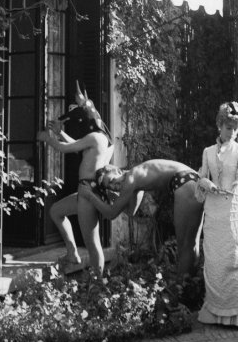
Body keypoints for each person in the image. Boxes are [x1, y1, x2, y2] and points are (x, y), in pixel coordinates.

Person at [194, 102, 238, 328]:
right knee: (215, 262)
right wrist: (204, 182)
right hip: (213, 215)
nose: (232, 132)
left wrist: (234, 186)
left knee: (235, 262)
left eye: (235, 128)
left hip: (233, 212)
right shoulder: (207, 152)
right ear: (219, 125)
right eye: (228, 127)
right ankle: (214, 312)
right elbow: (201, 181)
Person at [79, 159, 204, 279]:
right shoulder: (136, 179)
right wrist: (113, 198)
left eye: (111, 180)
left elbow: (111, 214)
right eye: (110, 187)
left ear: (116, 170)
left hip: (185, 181)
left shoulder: (131, 178)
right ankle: (190, 286)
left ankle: (184, 289)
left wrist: (90, 196)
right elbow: (131, 212)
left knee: (186, 246)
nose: (113, 186)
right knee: (190, 245)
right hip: (190, 180)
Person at [37, 84, 113, 273]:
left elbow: (65, 149)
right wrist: (60, 132)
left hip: (88, 192)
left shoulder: (95, 137)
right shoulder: (101, 137)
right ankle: (72, 254)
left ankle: (98, 284)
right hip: (85, 190)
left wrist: (47, 138)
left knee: (93, 244)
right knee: (56, 211)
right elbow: (78, 145)